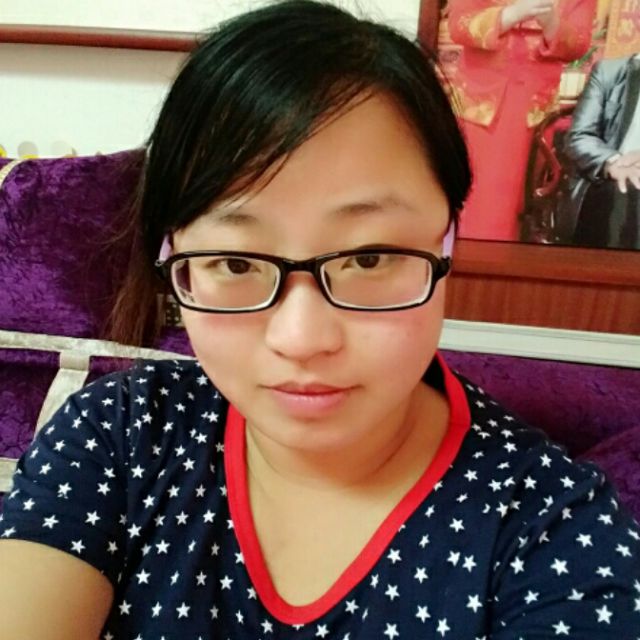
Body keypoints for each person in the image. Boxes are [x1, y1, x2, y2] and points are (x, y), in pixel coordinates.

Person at [1, 2, 639, 638]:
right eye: (234, 262)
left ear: (448, 240)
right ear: (175, 257)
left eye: (369, 257)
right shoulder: (120, 434)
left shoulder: (554, 535)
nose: (301, 339)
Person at [448, 0, 596, 241]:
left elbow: (579, 43)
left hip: (533, 105)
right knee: (467, 194)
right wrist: (511, 14)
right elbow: (458, 25)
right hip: (481, 101)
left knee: (517, 203)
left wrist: (552, 24)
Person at [565, 53, 640, 249]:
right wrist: (612, 162)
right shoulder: (610, 72)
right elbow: (579, 136)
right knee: (625, 190)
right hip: (606, 177)